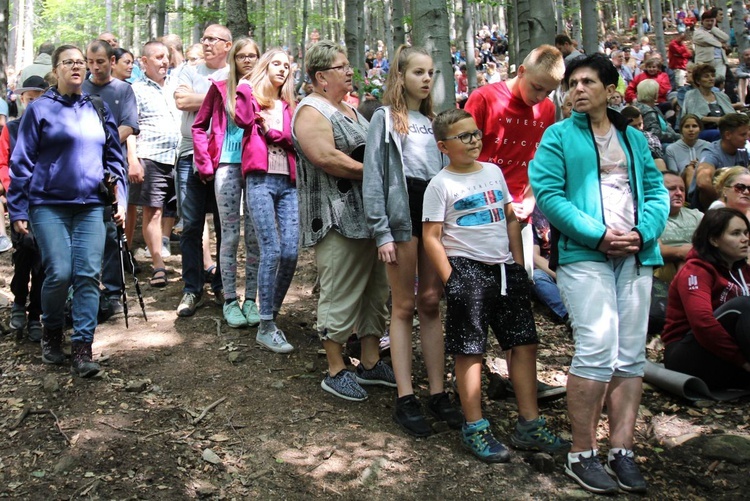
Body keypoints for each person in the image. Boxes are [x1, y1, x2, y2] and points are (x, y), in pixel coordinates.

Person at [530, 53, 669, 494]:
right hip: (584, 256)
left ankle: (621, 451)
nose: (578, 90)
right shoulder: (556, 137)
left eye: (588, 82)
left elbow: (658, 193)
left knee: (630, 355)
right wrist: (598, 234)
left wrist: (642, 232)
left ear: (611, 90)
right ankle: (582, 453)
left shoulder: (634, 139)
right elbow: (549, 195)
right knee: (596, 347)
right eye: (572, 83)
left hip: (635, 253)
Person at [423, 108, 569, 463]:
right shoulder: (440, 184)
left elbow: (509, 218)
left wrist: (518, 265)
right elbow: (431, 236)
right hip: (467, 271)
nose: (474, 141)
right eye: (464, 137)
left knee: (524, 343)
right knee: (470, 348)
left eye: (475, 134)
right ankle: (474, 425)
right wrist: (451, 279)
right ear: (444, 146)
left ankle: (529, 423)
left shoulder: (493, 172)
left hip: (505, 270)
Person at [8, 44, 128, 377]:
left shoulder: (97, 107)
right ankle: (51, 332)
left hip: (90, 204)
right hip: (48, 205)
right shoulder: (40, 110)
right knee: (59, 272)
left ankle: (82, 348)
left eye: (80, 63)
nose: (77, 67)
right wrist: (17, 208)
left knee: (88, 275)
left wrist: (120, 195)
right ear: (57, 69)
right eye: (69, 63)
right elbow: (22, 163)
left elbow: (115, 157)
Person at [362, 46, 462, 436]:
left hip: (434, 219)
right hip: (402, 218)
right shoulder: (386, 119)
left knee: (431, 302)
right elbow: (373, 177)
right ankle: (405, 397)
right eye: (418, 72)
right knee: (403, 306)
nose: (426, 79)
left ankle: (437, 393)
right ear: (400, 76)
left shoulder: (433, 122)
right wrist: (381, 231)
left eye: (431, 73)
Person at [293, 41, 395, 401]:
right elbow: (325, 157)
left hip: (369, 217)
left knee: (375, 291)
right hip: (335, 215)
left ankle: (369, 363)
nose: (350, 71)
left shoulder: (351, 110)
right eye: (341, 67)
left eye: (349, 65)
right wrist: (374, 173)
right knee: (340, 291)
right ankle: (335, 368)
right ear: (321, 76)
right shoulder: (311, 110)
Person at [192, 38, 262, 331]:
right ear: (233, 59)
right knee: (230, 235)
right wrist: (205, 162)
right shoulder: (220, 88)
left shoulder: (266, 89)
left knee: (256, 237)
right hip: (228, 167)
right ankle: (231, 299)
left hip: (259, 168)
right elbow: (199, 125)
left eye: (252, 56)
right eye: (242, 56)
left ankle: (252, 301)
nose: (247, 60)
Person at [233, 47, 299, 351]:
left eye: (287, 65)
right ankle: (267, 324)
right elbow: (243, 121)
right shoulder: (250, 96)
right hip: (259, 180)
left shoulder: (289, 105)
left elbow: (294, 140)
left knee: (290, 252)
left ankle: (270, 309)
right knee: (271, 249)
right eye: (276, 63)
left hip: (288, 183)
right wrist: (246, 87)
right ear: (265, 67)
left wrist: (276, 134)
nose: (282, 69)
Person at [175, 24, 235, 317]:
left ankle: (224, 285)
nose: (206, 43)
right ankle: (192, 288)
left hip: (226, 157)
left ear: (227, 45)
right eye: (204, 38)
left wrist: (219, 98)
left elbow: (241, 103)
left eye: (213, 39)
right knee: (191, 226)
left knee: (226, 225)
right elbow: (181, 101)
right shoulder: (190, 70)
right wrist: (221, 98)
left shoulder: (234, 73)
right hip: (190, 154)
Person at [83, 40, 140, 321]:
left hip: (112, 167)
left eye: (100, 62)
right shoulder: (79, 87)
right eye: (90, 63)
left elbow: (130, 125)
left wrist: (103, 142)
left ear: (111, 61)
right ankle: (85, 291)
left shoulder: (123, 90)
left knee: (113, 229)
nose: (95, 68)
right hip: (82, 168)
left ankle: (114, 292)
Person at [662, 208, 750, 390]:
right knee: (743, 305)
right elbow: (702, 322)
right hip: (687, 355)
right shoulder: (696, 270)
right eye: (736, 233)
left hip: (724, 355)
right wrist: (741, 361)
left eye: (746, 233)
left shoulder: (744, 271)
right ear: (713, 239)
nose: (745, 239)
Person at [127, 41, 181, 288]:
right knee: (153, 211)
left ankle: (201, 264)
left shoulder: (178, 85)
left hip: (180, 157)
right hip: (151, 156)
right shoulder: (135, 90)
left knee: (186, 211)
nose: (164, 61)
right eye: (158, 57)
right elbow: (130, 128)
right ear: (144, 62)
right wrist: (133, 160)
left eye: (166, 57)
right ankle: (158, 263)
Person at [0, 76, 49, 341]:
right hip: (21, 201)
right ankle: (19, 301)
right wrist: (11, 189)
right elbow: (3, 163)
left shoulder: (50, 128)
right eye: (29, 100)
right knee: (23, 254)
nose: (33, 104)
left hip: (45, 202)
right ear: (22, 100)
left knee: (43, 261)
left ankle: (35, 315)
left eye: (38, 99)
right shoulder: (13, 129)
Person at [694, 113, 750, 211]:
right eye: (743, 134)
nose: (747, 137)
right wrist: (726, 201)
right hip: (711, 208)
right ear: (728, 135)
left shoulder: (743, 150)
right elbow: (703, 182)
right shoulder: (711, 153)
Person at [656, 172, 704, 283]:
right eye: (672, 189)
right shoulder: (649, 217)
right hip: (662, 273)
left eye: (682, 189)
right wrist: (679, 252)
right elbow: (655, 250)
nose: (679, 193)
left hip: (696, 267)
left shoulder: (697, 216)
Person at [681, 64, 735, 139]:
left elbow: (732, 114)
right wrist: (715, 120)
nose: (711, 79)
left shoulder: (722, 96)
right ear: (698, 81)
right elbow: (692, 117)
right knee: (719, 134)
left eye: (712, 76)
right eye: (706, 76)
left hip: (724, 129)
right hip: (701, 131)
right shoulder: (691, 95)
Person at [664, 114, 711, 184]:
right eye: (687, 126)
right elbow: (674, 177)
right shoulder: (671, 149)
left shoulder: (708, 146)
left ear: (700, 129)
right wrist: (686, 170)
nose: (691, 129)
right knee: (690, 170)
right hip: (682, 184)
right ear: (681, 130)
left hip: (704, 182)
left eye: (694, 126)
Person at [633, 79, 680, 146]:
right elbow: (655, 135)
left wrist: (677, 136)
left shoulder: (654, 108)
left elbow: (666, 125)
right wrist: (676, 137)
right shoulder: (648, 112)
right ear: (655, 95)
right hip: (656, 145)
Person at [693, 9, 729, 80]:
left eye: (712, 21)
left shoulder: (714, 31)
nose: (709, 23)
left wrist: (713, 28)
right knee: (707, 81)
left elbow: (726, 37)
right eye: (707, 21)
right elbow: (707, 40)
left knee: (720, 80)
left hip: (720, 60)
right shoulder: (698, 32)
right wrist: (720, 44)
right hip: (705, 61)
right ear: (702, 21)